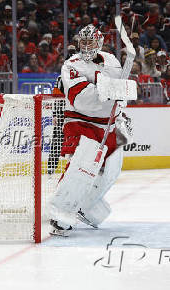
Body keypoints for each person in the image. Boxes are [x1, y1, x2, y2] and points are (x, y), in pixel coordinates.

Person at [49, 24, 136, 236]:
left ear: (99, 42)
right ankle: (61, 211)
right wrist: (109, 90)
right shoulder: (71, 65)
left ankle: (85, 205)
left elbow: (119, 93)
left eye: (91, 41)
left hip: (108, 123)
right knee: (82, 164)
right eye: (83, 42)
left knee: (111, 169)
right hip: (81, 121)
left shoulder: (112, 61)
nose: (87, 45)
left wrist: (122, 101)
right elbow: (80, 100)